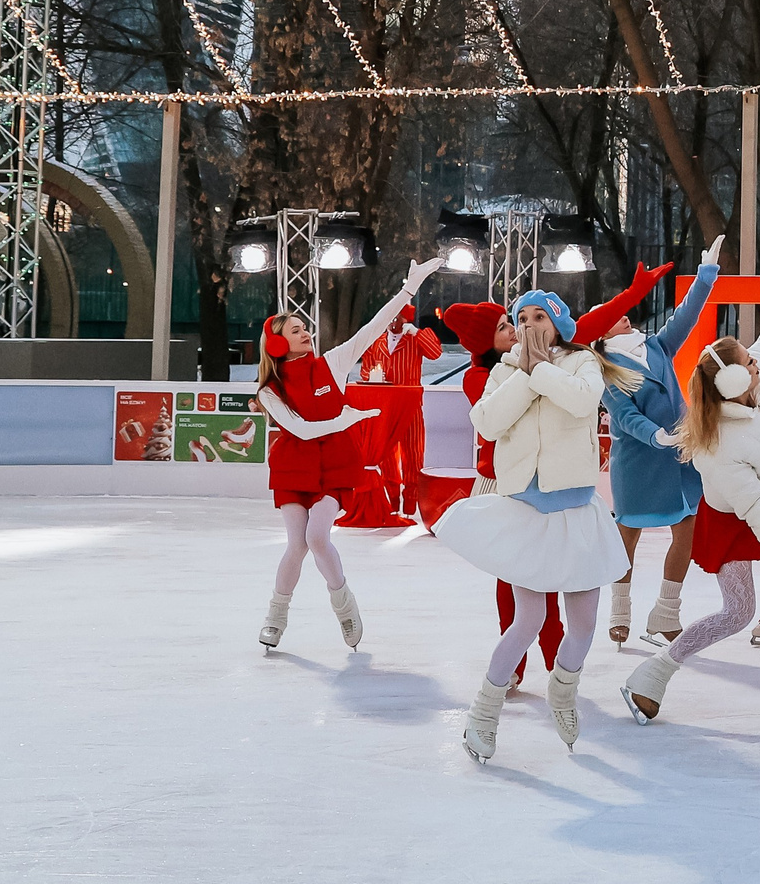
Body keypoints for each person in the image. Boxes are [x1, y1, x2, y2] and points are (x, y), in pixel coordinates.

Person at [623, 238, 760, 723]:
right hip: (734, 514)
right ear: (735, 383)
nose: (759, 360)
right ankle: (656, 671)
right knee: (738, 611)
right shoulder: (721, 451)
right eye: (749, 362)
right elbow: (758, 515)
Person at [436, 290, 623, 764]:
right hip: (525, 511)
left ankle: (563, 689)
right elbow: (487, 422)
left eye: (540, 315)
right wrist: (525, 371)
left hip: (576, 511)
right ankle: (483, 712)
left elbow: (583, 402)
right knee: (528, 620)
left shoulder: (582, 361)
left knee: (583, 626)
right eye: (522, 317)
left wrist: (541, 369)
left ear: (558, 322)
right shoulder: (505, 369)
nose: (530, 324)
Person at [253, 258, 443, 653]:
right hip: (293, 466)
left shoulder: (332, 363)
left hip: (334, 464)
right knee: (297, 544)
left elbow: (373, 326)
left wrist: (409, 288)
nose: (306, 333)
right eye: (295, 330)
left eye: (305, 327)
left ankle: (344, 605)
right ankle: (275, 616)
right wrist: (345, 419)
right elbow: (301, 430)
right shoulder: (269, 391)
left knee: (317, 537)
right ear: (276, 344)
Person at [599, 237, 723, 648]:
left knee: (686, 527)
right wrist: (656, 435)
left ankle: (667, 611)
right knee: (627, 534)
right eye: (613, 316)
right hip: (638, 461)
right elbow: (624, 415)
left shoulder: (655, 346)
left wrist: (705, 276)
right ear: (600, 332)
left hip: (680, 456)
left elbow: (685, 317)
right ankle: (619, 611)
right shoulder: (604, 368)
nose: (624, 316)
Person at [358, 304, 439, 517]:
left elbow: (435, 353)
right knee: (387, 458)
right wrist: (373, 379)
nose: (394, 321)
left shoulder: (416, 339)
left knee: (413, 456)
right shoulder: (376, 342)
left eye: (398, 317)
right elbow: (366, 369)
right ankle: (392, 502)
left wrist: (416, 333)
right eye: (391, 317)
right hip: (385, 408)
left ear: (406, 318)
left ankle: (410, 505)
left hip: (411, 407)